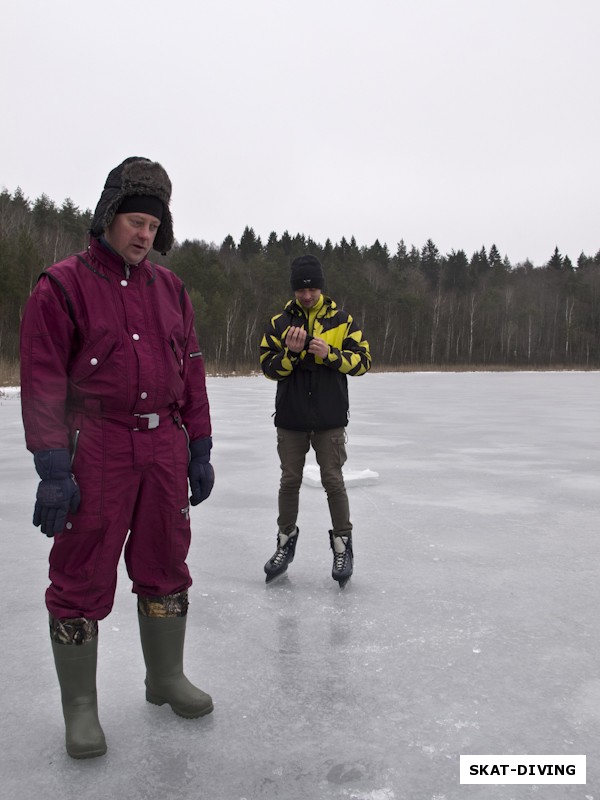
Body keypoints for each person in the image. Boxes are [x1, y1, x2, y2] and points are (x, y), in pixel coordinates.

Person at [19, 157, 215, 760]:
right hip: (96, 445)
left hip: (163, 445)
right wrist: (53, 467)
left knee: (165, 561)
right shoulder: (63, 286)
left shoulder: (172, 289)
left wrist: (199, 446)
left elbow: (193, 371)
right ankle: (80, 707)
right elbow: (43, 382)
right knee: (80, 573)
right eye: (135, 222)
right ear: (108, 217)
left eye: (154, 227)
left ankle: (164, 678)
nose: (144, 236)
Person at [259, 254, 371, 588]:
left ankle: (343, 546)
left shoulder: (342, 321)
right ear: (294, 289)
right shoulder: (279, 323)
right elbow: (267, 367)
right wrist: (291, 355)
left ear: (321, 287)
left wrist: (330, 355)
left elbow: (363, 361)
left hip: (329, 418)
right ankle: (284, 542)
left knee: (333, 482)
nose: (307, 295)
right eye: (301, 289)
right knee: (289, 481)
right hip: (291, 418)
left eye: (312, 288)